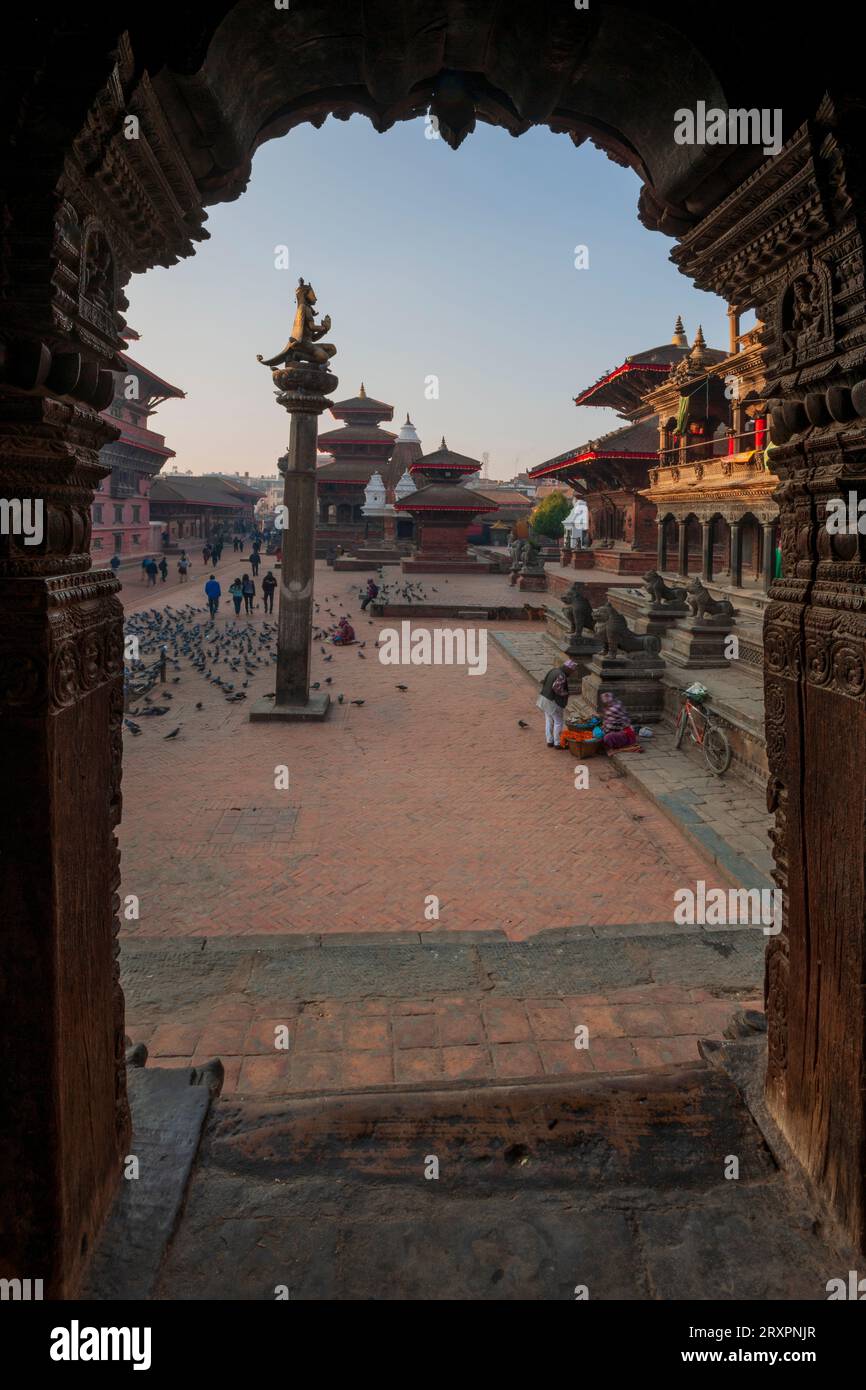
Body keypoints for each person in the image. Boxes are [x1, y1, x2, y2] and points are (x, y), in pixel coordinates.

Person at [536, 659, 576, 748]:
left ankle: (550, 741)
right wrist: (566, 693)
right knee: (558, 722)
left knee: (549, 720)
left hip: (544, 698)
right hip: (552, 701)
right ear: (568, 669)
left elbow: (544, 681)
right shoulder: (561, 675)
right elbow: (557, 689)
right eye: (572, 671)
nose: (572, 673)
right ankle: (557, 743)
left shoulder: (553, 670)